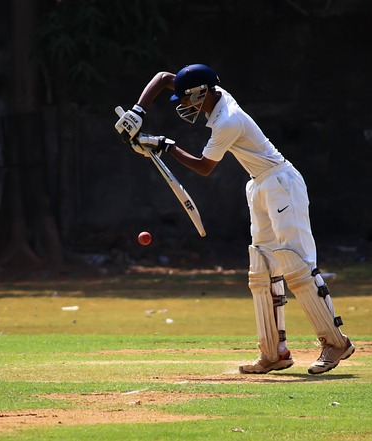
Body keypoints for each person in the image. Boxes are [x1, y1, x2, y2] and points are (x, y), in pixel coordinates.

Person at [114, 64, 354, 375]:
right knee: (262, 270)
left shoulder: (227, 120)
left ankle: (336, 342)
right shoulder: (212, 92)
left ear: (201, 94)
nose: (184, 106)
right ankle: (274, 353)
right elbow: (162, 78)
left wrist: (164, 145)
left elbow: (204, 167)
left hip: (282, 183)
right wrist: (137, 112)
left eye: (186, 101)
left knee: (297, 265)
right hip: (258, 185)